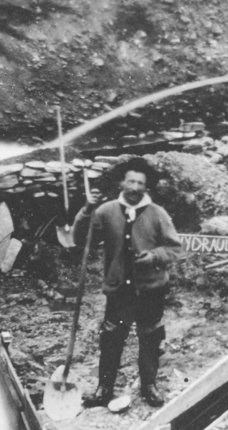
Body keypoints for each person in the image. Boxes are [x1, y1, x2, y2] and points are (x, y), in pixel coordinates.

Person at [72, 157, 181, 408]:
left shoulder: (157, 214)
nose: (134, 187)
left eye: (140, 183)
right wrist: (87, 209)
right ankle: (104, 388)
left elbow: (175, 249)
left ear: (146, 187)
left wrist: (154, 257)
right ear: (123, 182)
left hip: (150, 290)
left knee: (150, 336)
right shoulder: (106, 211)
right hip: (119, 290)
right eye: (131, 181)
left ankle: (149, 386)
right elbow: (81, 240)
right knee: (111, 337)